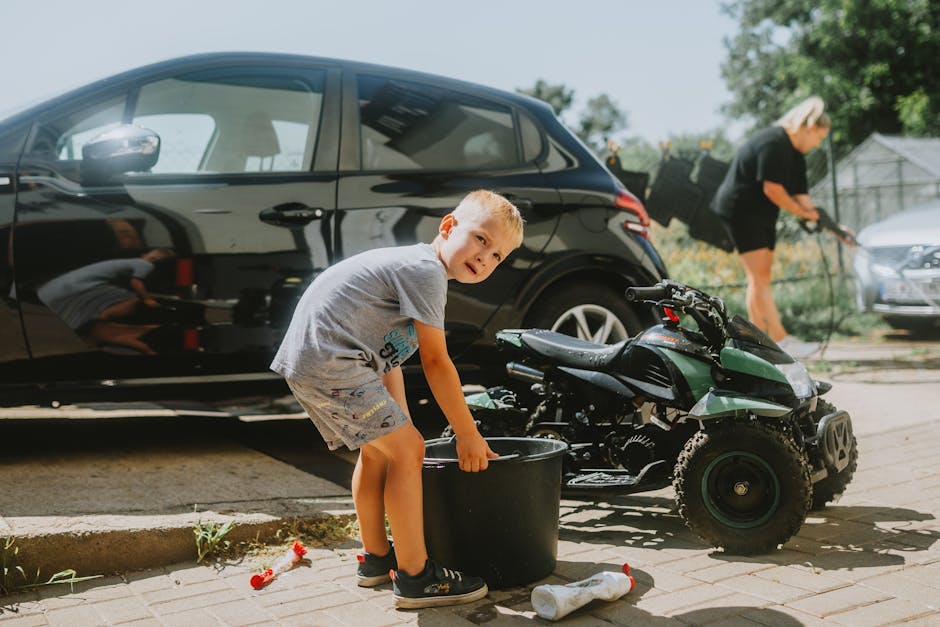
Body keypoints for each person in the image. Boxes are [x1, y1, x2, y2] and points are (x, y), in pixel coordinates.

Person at [271, 190, 524, 609]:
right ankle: (416, 576)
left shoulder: (415, 269)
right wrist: (467, 433)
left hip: (322, 360)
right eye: (481, 239)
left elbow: (388, 360)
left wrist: (402, 420)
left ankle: (376, 558)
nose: (485, 257)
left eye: (497, 255)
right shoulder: (426, 272)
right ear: (448, 226)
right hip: (332, 360)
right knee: (408, 451)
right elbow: (436, 362)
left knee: (381, 452)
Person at [712, 96, 832, 359]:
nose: (818, 144)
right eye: (819, 137)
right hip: (741, 208)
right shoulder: (774, 142)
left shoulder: (797, 155)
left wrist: (833, 227)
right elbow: (773, 189)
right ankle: (779, 340)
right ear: (809, 127)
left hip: (762, 212)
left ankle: (756, 344)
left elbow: (802, 197)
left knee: (760, 276)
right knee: (759, 276)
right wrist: (804, 214)